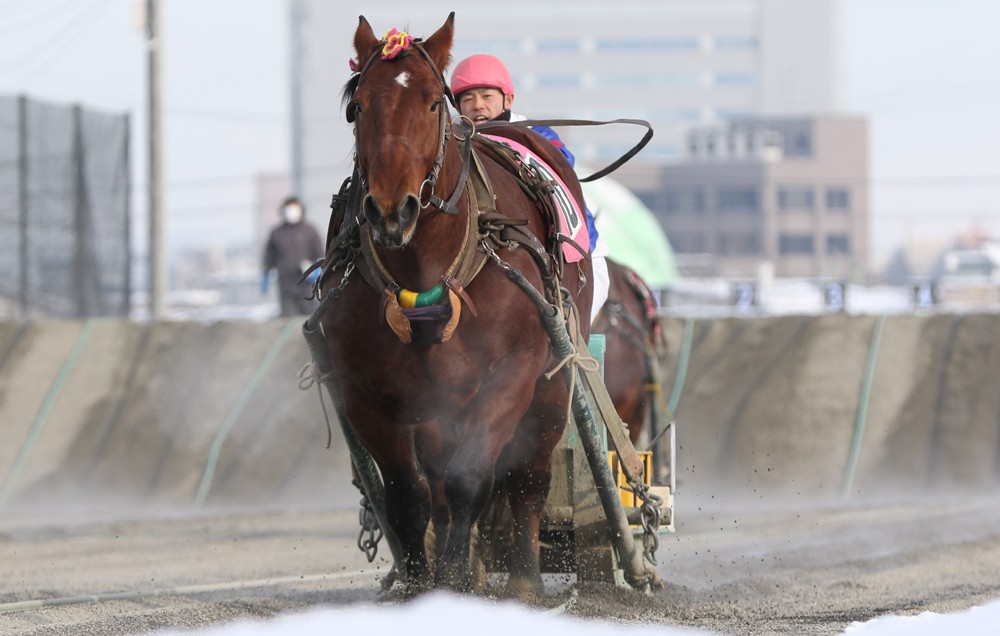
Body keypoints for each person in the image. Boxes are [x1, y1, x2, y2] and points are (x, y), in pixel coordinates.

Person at [450, 53, 610, 325]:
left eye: (487, 96)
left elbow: (563, 162)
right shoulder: (453, 142)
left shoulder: (536, 132)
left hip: (579, 255)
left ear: (508, 100)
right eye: (468, 99)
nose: (478, 106)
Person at [262, 195, 324, 316]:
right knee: (288, 320)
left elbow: (320, 253)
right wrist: (265, 274)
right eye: (288, 209)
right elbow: (269, 257)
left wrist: (316, 270)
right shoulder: (276, 233)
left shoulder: (310, 230)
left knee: (310, 320)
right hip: (286, 287)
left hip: (307, 287)